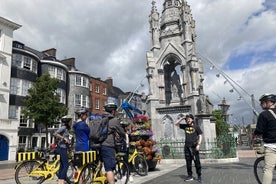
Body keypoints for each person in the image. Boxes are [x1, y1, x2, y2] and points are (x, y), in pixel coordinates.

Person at [254, 94, 276, 184]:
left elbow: (259, 131)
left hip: (272, 146)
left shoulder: (264, 115)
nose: (260, 104)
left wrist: (254, 136)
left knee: (268, 170)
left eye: (262, 102)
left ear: (269, 102)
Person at [101, 103, 126, 184]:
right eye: (115, 111)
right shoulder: (114, 120)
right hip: (108, 145)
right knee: (109, 169)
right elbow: (122, 132)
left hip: (98, 144)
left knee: (101, 164)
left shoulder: (101, 118)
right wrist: (124, 136)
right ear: (112, 111)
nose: (115, 112)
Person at [175, 114, 203, 182]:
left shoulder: (196, 127)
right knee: (188, 163)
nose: (188, 120)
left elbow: (200, 135)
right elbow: (176, 123)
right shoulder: (185, 126)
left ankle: (199, 176)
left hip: (194, 147)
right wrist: (182, 118)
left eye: (189, 119)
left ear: (192, 119)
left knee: (197, 162)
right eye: (187, 119)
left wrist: (198, 144)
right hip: (187, 147)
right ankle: (190, 176)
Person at [53, 115, 73, 184]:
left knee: (62, 165)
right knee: (66, 165)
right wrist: (63, 138)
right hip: (62, 148)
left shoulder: (67, 129)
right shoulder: (64, 127)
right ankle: (61, 181)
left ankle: (60, 181)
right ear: (67, 122)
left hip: (63, 148)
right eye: (70, 121)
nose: (71, 122)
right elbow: (55, 133)